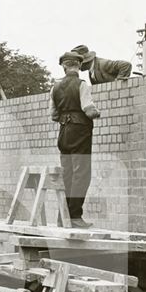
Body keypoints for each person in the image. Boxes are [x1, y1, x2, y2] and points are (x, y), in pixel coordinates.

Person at [49, 51, 100, 228]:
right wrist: (96, 112)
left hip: (64, 133)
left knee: (67, 174)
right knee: (82, 174)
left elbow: (53, 115)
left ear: (64, 66)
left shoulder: (54, 87)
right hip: (80, 132)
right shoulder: (81, 84)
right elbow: (88, 108)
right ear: (78, 66)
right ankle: (75, 216)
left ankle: (62, 217)